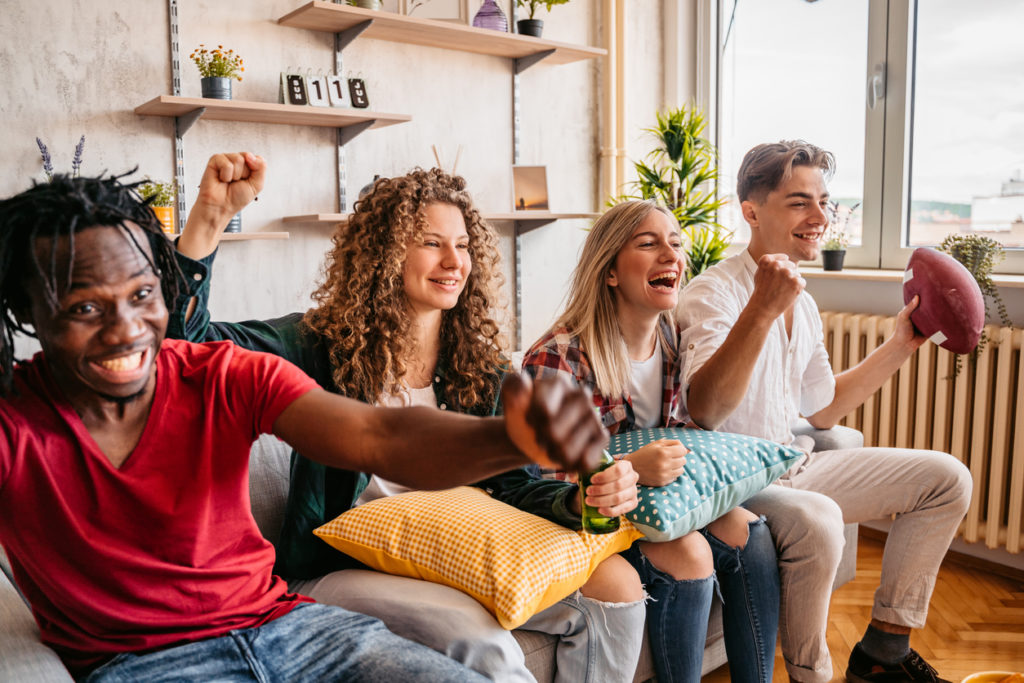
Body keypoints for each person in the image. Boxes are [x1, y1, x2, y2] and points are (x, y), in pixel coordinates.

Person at [0, 164, 608, 682]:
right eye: (84, 307)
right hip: (153, 662)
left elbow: (381, 438)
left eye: (141, 295)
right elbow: (190, 328)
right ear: (28, 311)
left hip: (288, 628)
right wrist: (209, 219)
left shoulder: (222, 375)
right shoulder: (15, 426)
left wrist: (514, 439)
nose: (126, 329)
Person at [169, 156, 647, 682]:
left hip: (455, 553)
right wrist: (210, 219)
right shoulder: (315, 346)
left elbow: (514, 488)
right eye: (431, 242)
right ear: (385, 252)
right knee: (478, 640)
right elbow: (183, 346)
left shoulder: (480, 367)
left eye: (463, 245)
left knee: (617, 588)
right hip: (343, 569)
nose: (454, 261)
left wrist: (580, 499)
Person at [677, 140, 973, 683]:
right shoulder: (710, 293)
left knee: (947, 479)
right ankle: (811, 674)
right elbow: (707, 410)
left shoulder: (805, 301)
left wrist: (902, 344)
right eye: (798, 202)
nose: (820, 218)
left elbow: (821, 409)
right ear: (751, 211)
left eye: (824, 201)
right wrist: (763, 310)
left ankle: (884, 648)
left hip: (795, 465)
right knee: (821, 518)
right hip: (737, 479)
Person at [522, 199, 781, 683]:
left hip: (658, 504)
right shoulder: (557, 357)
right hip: (589, 522)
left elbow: (691, 432)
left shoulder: (672, 337)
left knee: (752, 533)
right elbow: (547, 486)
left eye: (676, 243)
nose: (671, 254)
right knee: (690, 553)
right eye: (648, 243)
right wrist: (633, 470)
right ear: (611, 272)